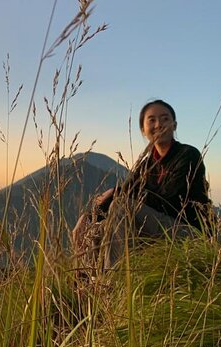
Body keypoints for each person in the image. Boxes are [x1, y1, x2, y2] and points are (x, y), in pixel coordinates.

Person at [73, 99, 212, 270]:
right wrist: (88, 217)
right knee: (98, 228)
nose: (159, 124)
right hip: (160, 230)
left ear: (174, 125)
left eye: (165, 119)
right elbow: (128, 190)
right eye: (151, 120)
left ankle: (115, 281)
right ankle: (89, 282)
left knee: (121, 205)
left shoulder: (188, 155)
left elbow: (169, 202)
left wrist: (115, 192)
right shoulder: (146, 164)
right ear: (143, 129)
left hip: (189, 233)